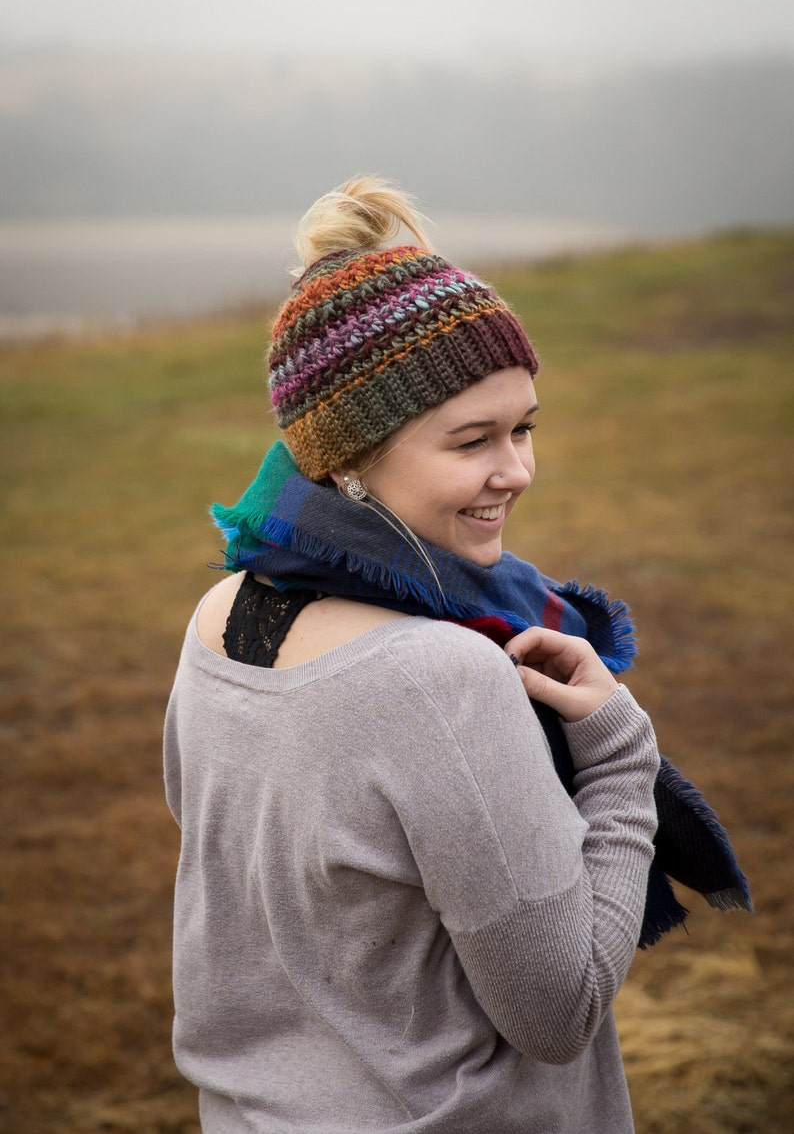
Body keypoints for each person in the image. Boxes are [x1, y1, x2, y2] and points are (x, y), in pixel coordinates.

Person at [163, 175, 662, 1133]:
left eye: (523, 428)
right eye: (471, 439)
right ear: (348, 457)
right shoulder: (444, 675)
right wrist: (618, 749)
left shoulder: (220, 614)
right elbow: (558, 1010)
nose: (515, 470)